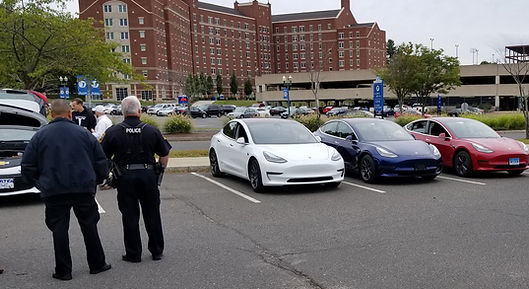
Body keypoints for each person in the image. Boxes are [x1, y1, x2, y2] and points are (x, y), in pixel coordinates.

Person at [21, 99, 111, 281]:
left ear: (51, 115)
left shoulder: (40, 136)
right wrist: (99, 178)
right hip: (83, 188)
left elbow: (28, 165)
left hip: (54, 190)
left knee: (59, 229)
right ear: (70, 114)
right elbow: (101, 161)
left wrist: (39, 183)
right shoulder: (84, 134)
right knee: (89, 226)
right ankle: (97, 264)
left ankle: (63, 270)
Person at [101, 96, 171, 263]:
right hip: (148, 177)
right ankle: (156, 251)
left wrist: (109, 175)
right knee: (152, 215)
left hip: (125, 178)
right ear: (140, 111)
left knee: (130, 216)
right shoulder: (152, 130)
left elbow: (102, 156)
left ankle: (133, 254)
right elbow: (164, 153)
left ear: (123, 113)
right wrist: (159, 171)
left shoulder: (113, 132)